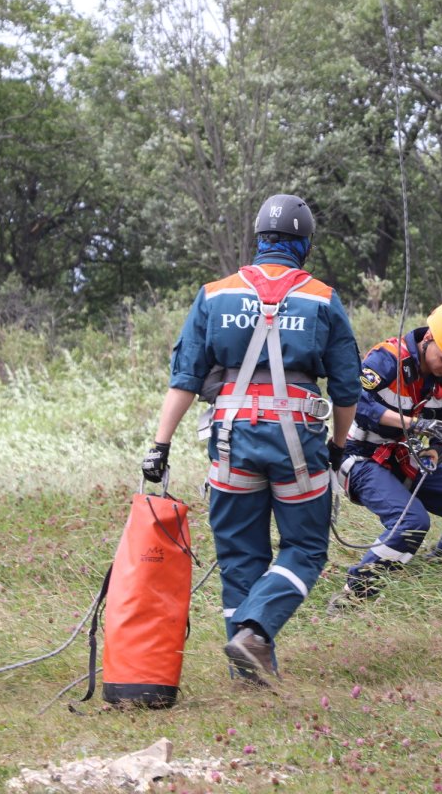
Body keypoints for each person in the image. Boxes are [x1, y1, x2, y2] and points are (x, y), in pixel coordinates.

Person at [142, 193, 360, 686]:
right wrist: (339, 447)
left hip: (230, 440)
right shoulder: (321, 298)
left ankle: (248, 674)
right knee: (305, 548)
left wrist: (160, 446)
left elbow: (184, 377)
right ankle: (256, 633)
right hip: (296, 442)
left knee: (241, 554)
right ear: (303, 246)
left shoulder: (215, 294)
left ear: (259, 241)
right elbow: (347, 389)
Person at [328, 300, 442, 609]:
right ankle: (353, 597)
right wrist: (414, 424)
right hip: (360, 458)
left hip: (406, 459)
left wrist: (436, 452)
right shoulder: (386, 359)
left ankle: (433, 574)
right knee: (412, 521)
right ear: (428, 339)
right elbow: (356, 402)